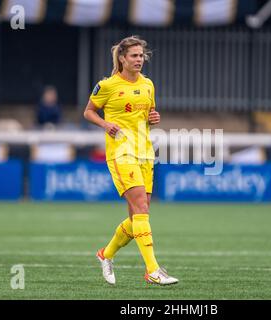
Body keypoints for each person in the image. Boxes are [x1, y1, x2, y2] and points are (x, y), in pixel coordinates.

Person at [83, 35, 178, 286]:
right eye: (134, 56)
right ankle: (153, 270)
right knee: (142, 210)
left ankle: (106, 254)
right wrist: (105, 124)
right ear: (122, 58)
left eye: (141, 56)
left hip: (145, 152)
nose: (139, 60)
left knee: (138, 216)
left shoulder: (148, 84)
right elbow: (88, 111)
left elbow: (147, 115)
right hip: (121, 153)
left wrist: (154, 117)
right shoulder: (107, 85)